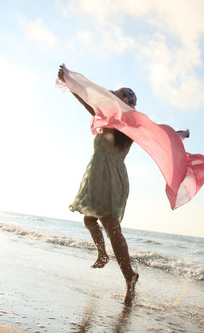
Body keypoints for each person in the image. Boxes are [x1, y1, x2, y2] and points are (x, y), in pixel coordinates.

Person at [58, 67, 139, 307]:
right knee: (90, 219)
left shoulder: (122, 123)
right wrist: (69, 82)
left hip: (107, 175)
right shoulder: (123, 123)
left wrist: (69, 82)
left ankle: (129, 276)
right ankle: (104, 256)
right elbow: (88, 101)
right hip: (106, 173)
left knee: (111, 227)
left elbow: (87, 101)